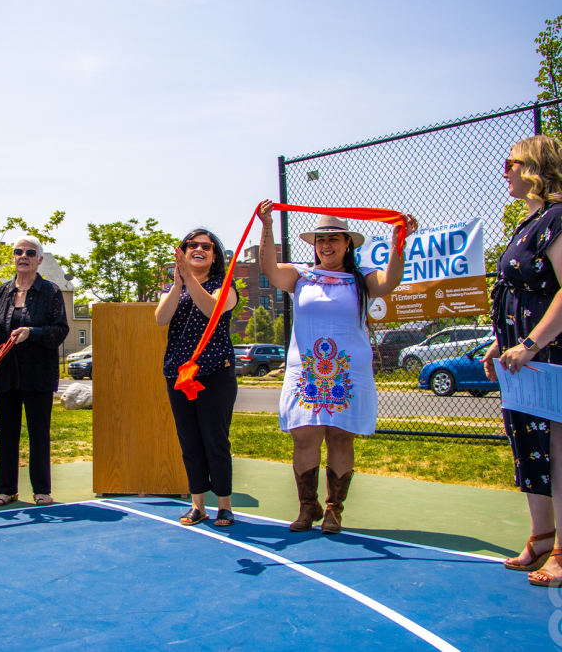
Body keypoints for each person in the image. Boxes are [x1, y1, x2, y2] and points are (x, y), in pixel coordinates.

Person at [258, 203, 417, 534]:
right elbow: (269, 268)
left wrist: (398, 241)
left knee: (341, 438)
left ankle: (333, 510)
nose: (326, 245)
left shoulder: (362, 279)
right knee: (304, 437)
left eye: (333, 239)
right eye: (320, 240)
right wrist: (267, 224)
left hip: (347, 371)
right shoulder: (300, 275)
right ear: (314, 246)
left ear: (348, 244)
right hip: (307, 371)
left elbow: (391, 281)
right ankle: (307, 508)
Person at [482, 135, 562, 587]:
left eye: (510, 162)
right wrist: (501, 340)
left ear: (533, 167)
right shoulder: (527, 222)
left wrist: (531, 342)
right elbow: (515, 292)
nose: (504, 170)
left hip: (548, 355)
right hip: (520, 360)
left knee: (556, 449)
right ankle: (542, 537)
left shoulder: (557, 219)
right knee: (528, 446)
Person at [155, 229, 238, 527]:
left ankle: (225, 505)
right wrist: (178, 283)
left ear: (215, 255)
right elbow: (161, 319)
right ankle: (198, 505)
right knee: (189, 440)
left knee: (214, 439)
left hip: (215, 372)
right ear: (184, 251)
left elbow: (212, 310)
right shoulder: (174, 286)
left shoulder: (224, 285)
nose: (198, 248)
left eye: (206, 245)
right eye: (192, 245)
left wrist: (189, 278)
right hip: (180, 375)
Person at [0, 236, 69, 506]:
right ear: (13, 257)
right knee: (6, 433)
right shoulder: (1, 292)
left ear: (40, 259)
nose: (23, 256)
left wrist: (32, 333)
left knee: (38, 434)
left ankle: (41, 489)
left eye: (30, 252)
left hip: (38, 374)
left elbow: (60, 330)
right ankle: (7, 490)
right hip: (6, 374)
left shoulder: (51, 291)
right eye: (18, 252)